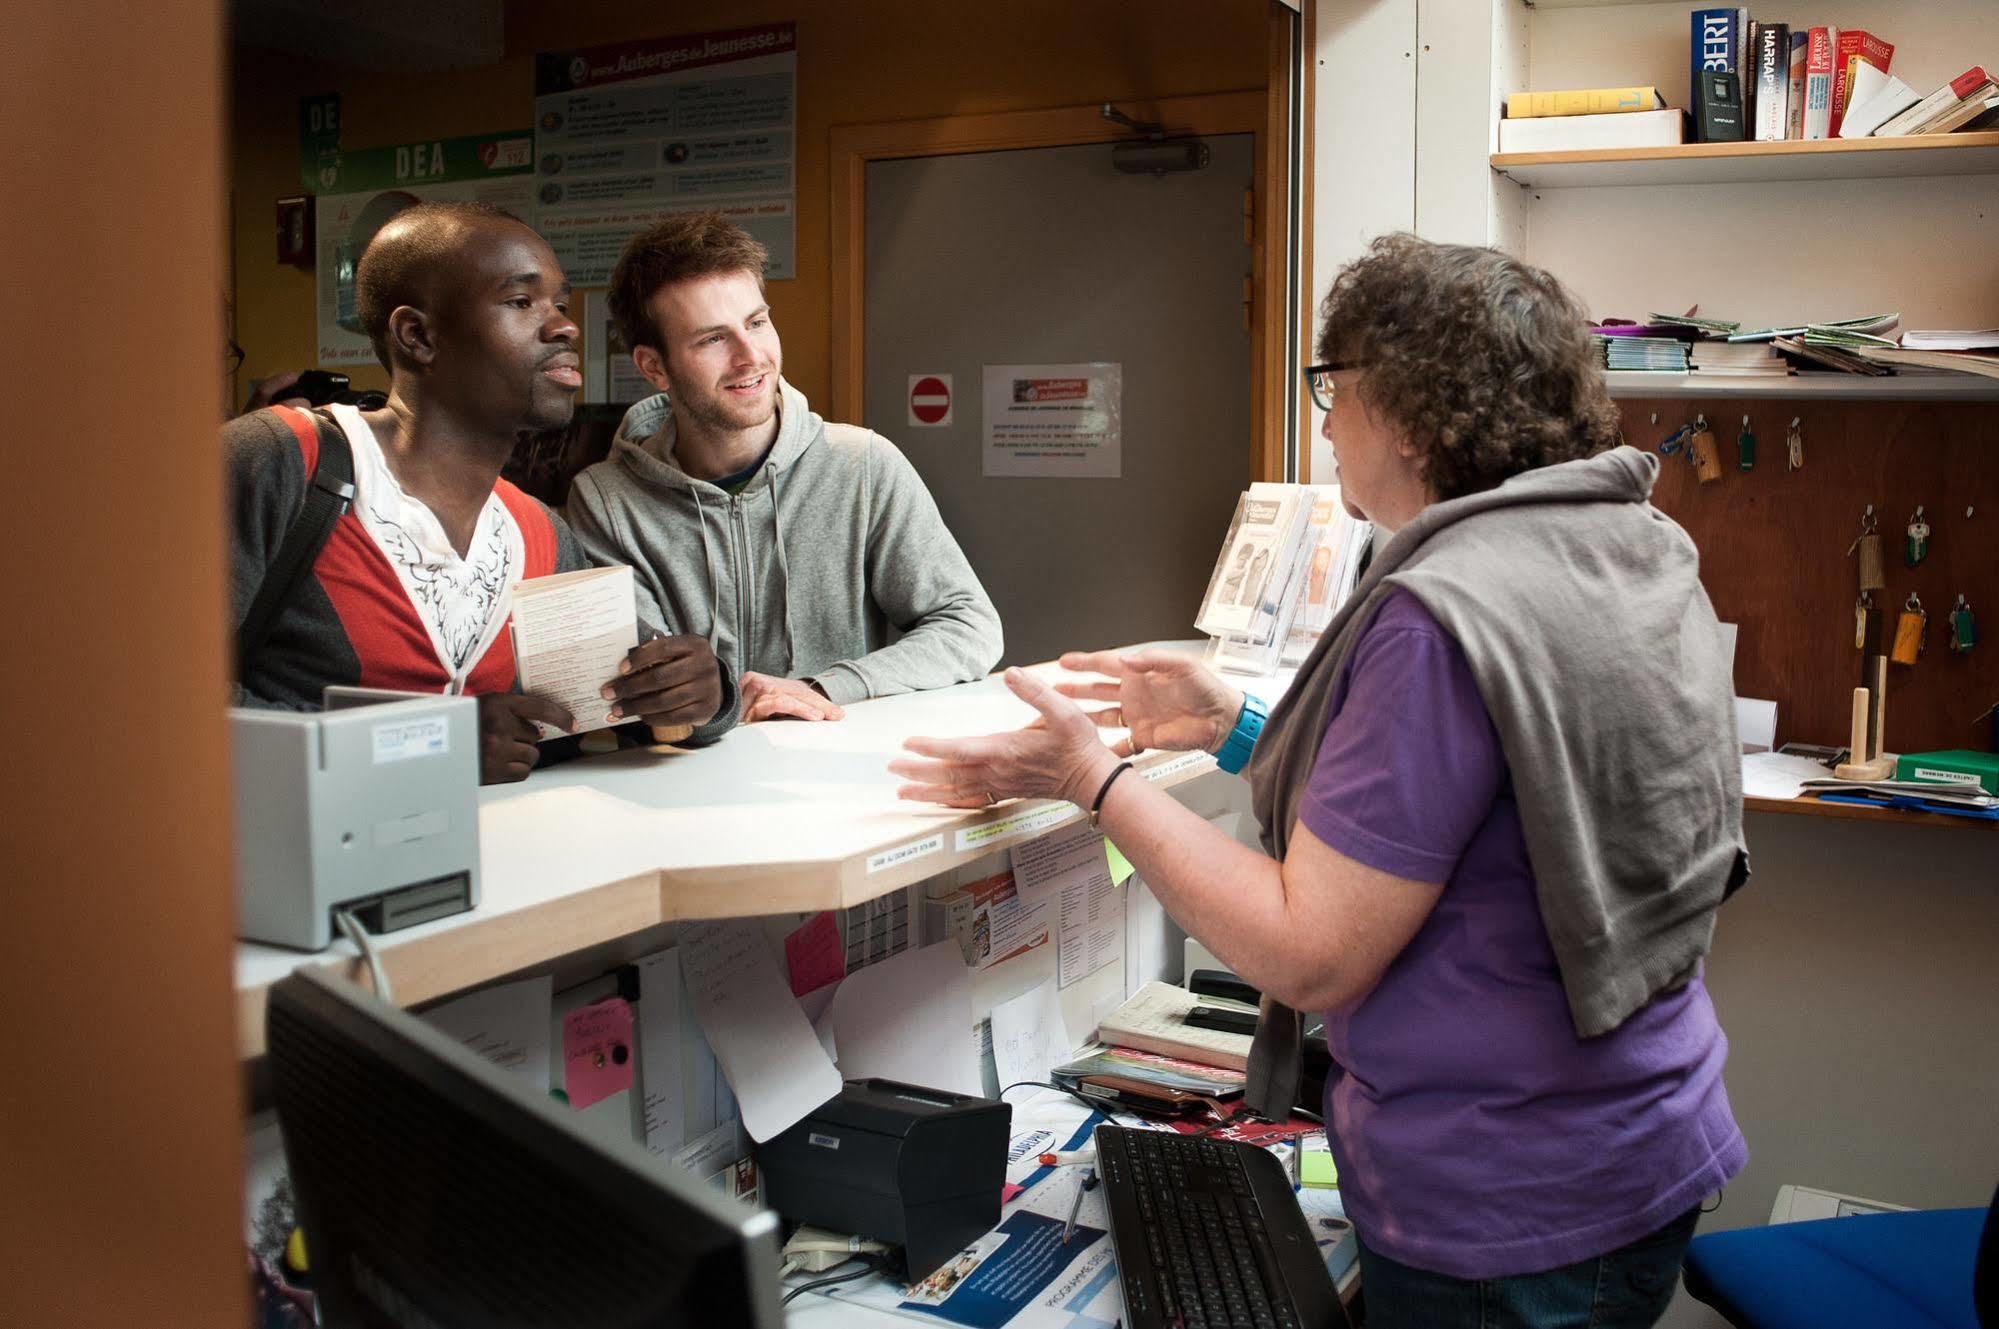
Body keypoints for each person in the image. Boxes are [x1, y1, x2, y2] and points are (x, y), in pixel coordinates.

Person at [892, 234, 1748, 1329]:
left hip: (1507, 1203)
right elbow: (1496, 793)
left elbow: (1309, 952)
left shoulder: (1443, 612)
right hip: (1637, 1140)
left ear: (1410, 407)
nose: (1327, 421)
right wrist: (1236, 725)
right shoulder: (1622, 538)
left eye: (1333, 389)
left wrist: (1091, 778)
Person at [227, 201, 733, 783]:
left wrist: (702, 694)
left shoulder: (537, 532)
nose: (565, 326)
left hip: (503, 867)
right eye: (520, 302)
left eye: (561, 305)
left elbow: (624, 702)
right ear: (417, 335)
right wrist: (431, 746)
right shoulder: (284, 462)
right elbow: (158, 707)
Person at [565, 211, 1002, 724]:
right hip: (684, 784)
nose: (751, 356)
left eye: (756, 322)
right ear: (654, 367)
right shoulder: (606, 502)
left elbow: (968, 625)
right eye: (712, 339)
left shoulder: (862, 466)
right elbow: (643, 685)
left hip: (834, 774)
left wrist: (825, 688)